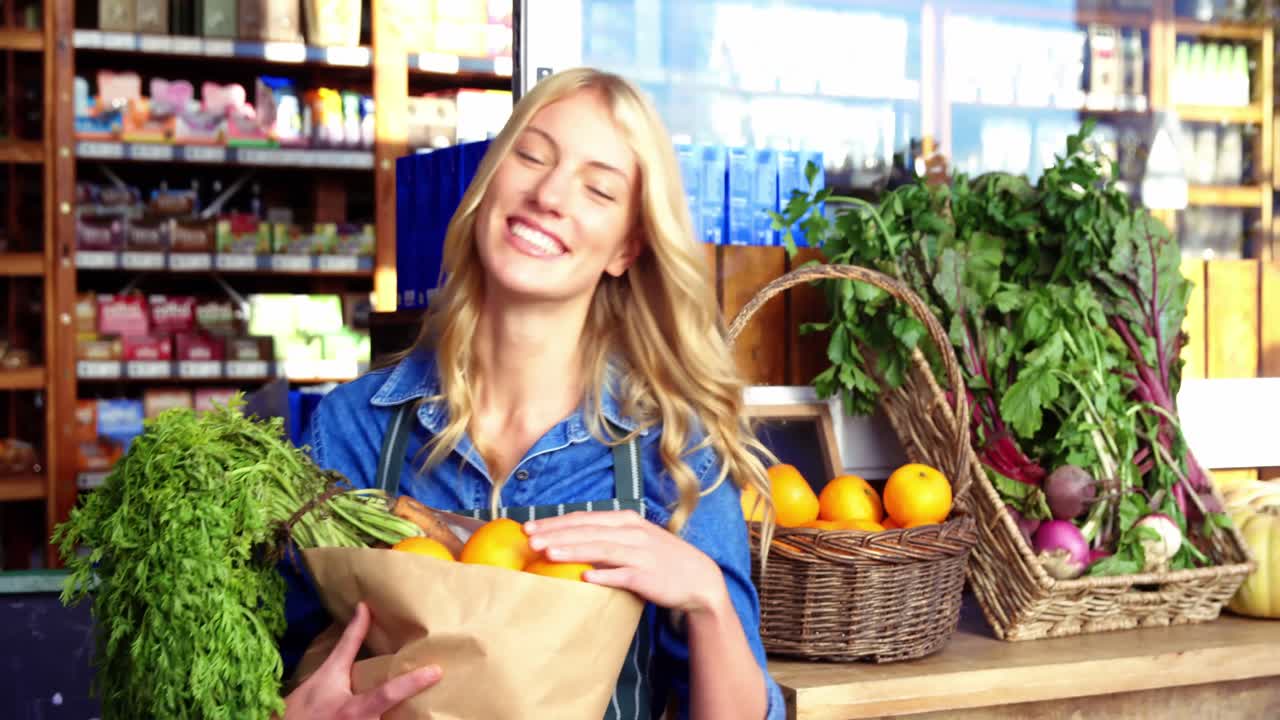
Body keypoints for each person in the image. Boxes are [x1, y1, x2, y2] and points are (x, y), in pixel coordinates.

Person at [279, 66, 785, 720]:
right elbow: (272, 664)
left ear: (626, 248)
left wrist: (708, 598)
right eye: (531, 155)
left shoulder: (675, 452)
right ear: (490, 183)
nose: (549, 194)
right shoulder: (355, 429)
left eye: (598, 189)